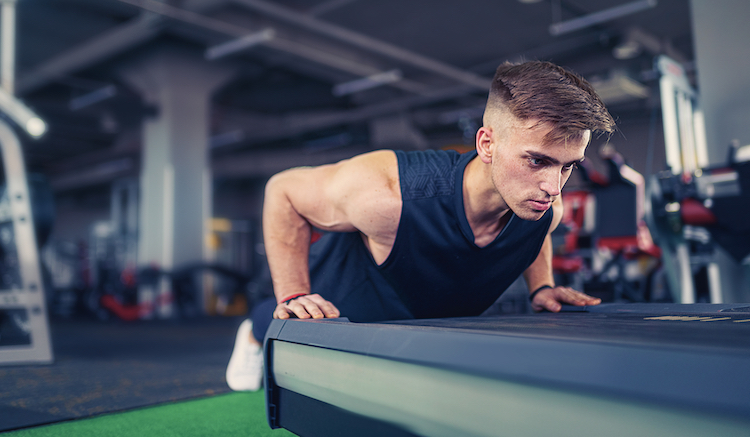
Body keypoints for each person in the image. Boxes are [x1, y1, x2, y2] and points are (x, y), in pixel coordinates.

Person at [226, 60, 616, 391]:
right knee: (287, 321)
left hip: (422, 325)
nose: (553, 187)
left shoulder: (545, 205)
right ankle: (254, 333)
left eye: (568, 166)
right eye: (537, 161)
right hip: (343, 305)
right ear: (486, 144)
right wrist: (293, 293)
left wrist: (541, 286)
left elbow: (535, 235)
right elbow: (283, 191)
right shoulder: (386, 194)